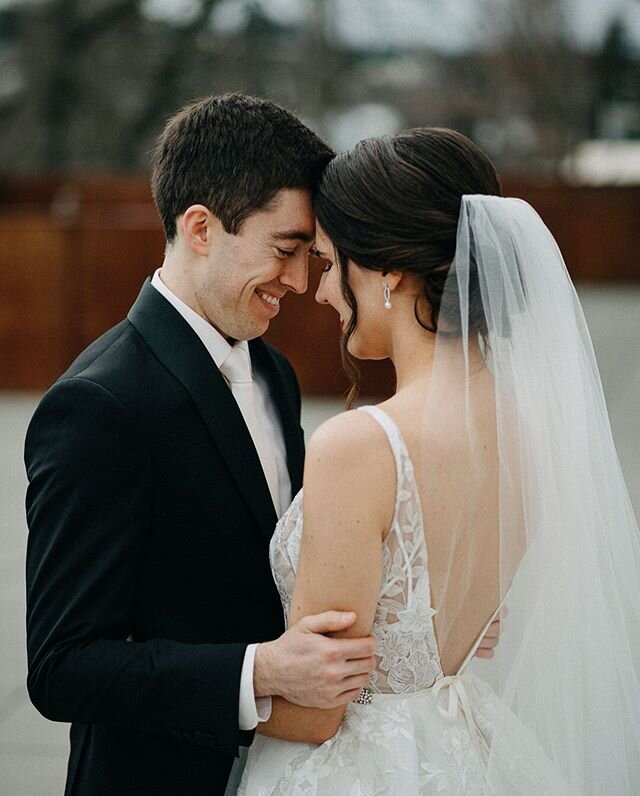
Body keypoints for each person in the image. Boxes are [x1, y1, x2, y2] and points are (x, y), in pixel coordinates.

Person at [238, 128, 640, 794]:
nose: (322, 291)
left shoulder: (361, 446)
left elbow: (314, 711)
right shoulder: (527, 431)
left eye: (334, 264)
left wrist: (184, 688)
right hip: (460, 751)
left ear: (390, 271)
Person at [24, 94, 382, 796]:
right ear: (200, 227)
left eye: (310, 256)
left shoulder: (273, 373)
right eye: (285, 250)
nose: (302, 282)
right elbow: (63, 667)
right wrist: (261, 671)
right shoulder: (97, 406)